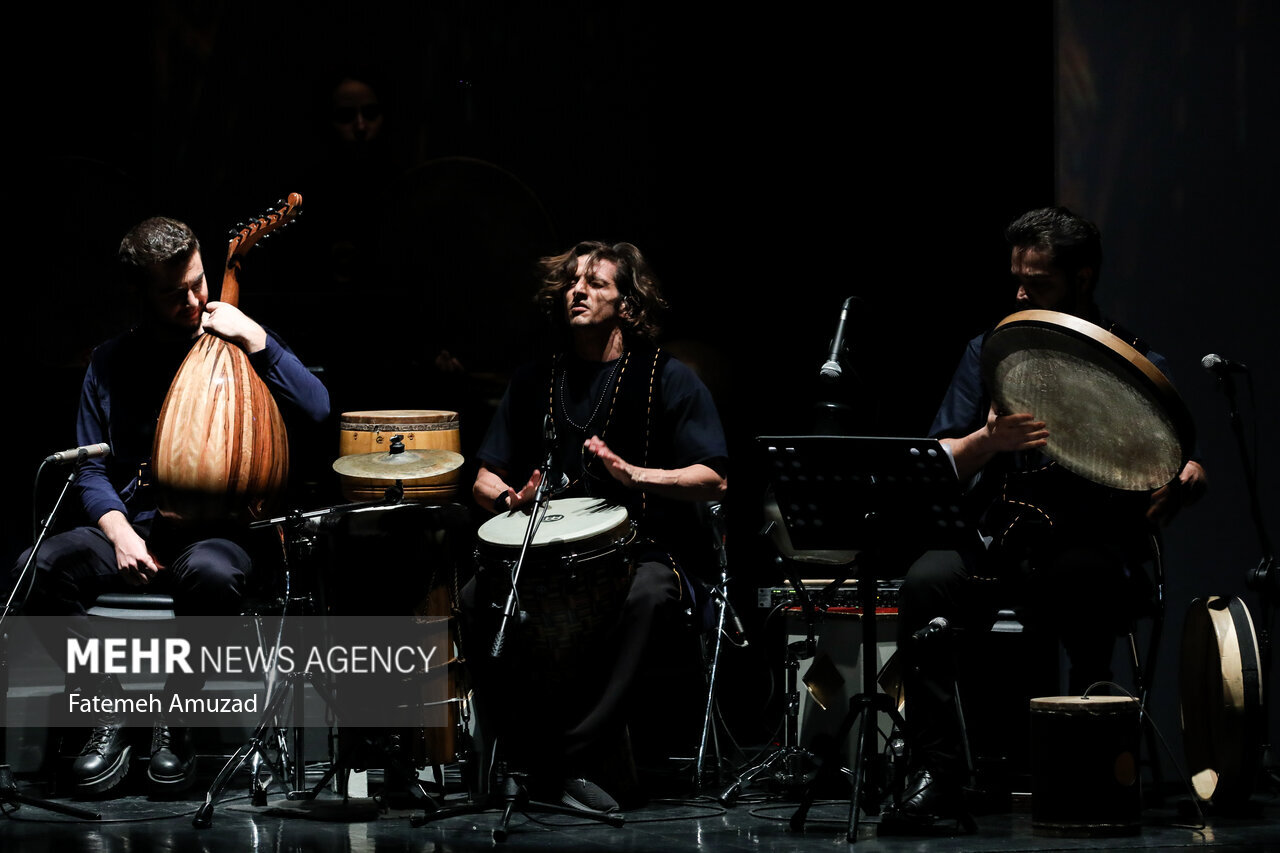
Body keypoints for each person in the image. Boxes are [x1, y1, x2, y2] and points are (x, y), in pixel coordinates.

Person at [886, 207, 1206, 826]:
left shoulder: (1131, 358)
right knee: (926, 582)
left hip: (1086, 540)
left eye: (1040, 283)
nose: (1021, 293)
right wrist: (988, 441)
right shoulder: (990, 350)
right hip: (999, 537)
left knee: (1088, 580)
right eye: (1017, 279)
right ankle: (939, 776)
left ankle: (1091, 772)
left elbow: (1175, 453)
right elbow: (938, 457)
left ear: (1083, 278)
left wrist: (1193, 472)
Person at [6, 216, 330, 796]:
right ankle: (114, 707)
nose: (192, 299)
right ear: (139, 294)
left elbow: (318, 408)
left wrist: (256, 339)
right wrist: (119, 533)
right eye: (172, 292)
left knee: (212, 574)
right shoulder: (109, 363)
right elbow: (90, 469)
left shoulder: (237, 342)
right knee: (36, 569)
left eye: (198, 282)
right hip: (133, 526)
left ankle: (175, 723)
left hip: (215, 531)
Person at [463, 240, 728, 813]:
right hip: (550, 556)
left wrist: (637, 474)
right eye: (572, 282)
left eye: (596, 283)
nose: (577, 291)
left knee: (648, 595)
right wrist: (511, 498)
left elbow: (714, 478)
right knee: (474, 594)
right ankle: (510, 754)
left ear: (627, 305)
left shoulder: (668, 378)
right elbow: (482, 476)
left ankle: (566, 759)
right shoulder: (536, 380)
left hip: (648, 550)